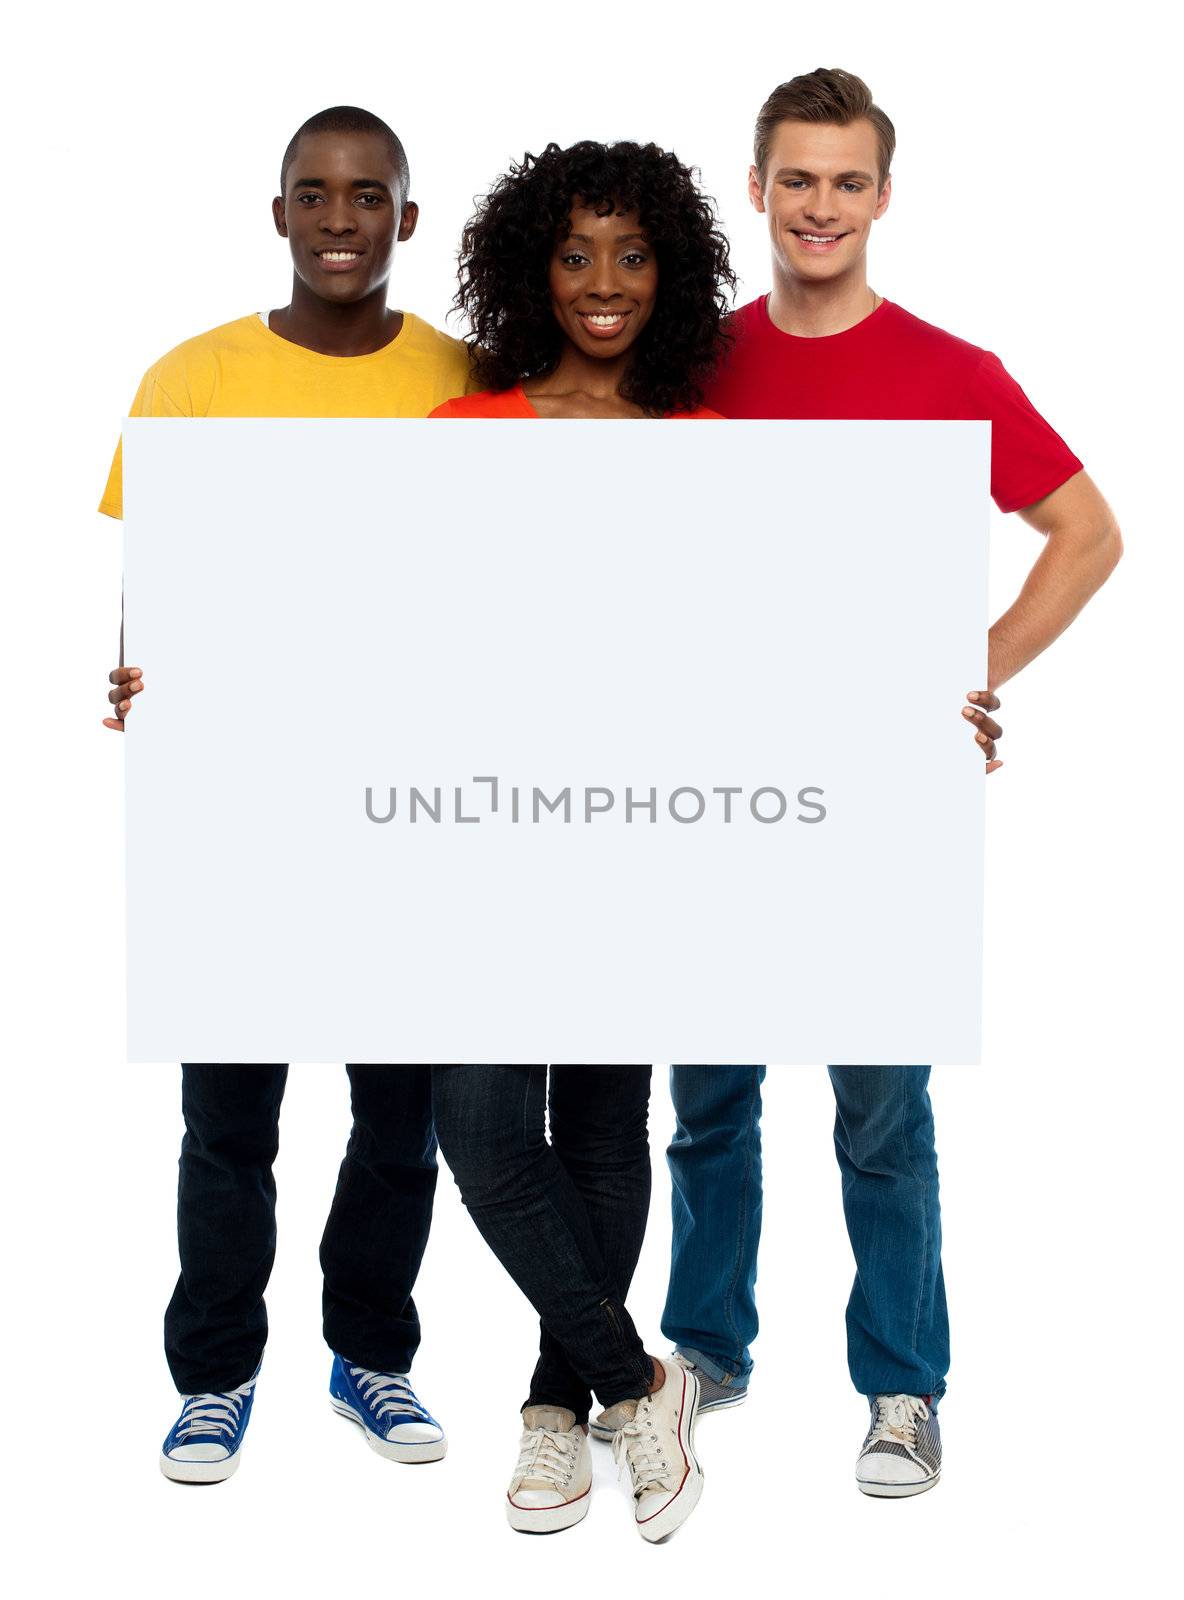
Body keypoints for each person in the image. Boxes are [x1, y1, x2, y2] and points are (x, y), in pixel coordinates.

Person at [655, 68, 1122, 1500]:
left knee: (880, 1112)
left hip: (877, 808)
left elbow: (1089, 535)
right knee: (712, 1097)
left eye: (846, 181)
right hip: (715, 794)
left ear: (884, 197)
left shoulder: (950, 375)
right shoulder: (697, 366)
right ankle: (708, 1352)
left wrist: (965, 674)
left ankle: (904, 1388)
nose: (820, 206)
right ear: (755, 189)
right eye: (796, 178)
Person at [100, 106, 472, 1482]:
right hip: (245, 814)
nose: (336, 218)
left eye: (366, 195)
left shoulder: (460, 377)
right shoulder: (192, 378)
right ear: (277, 215)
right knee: (228, 1121)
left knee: (398, 1116)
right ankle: (213, 1378)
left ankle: (370, 1354)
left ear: (404, 224)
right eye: (311, 193)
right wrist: (136, 676)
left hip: (410, 810)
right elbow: (159, 582)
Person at [431, 138, 732, 1541]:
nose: (602, 284)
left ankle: (559, 1413)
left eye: (631, 254)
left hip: (643, 843)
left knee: (605, 1125)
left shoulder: (711, 451)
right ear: (526, 271)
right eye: (572, 254)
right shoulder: (467, 437)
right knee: (483, 1125)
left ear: (669, 274)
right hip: (489, 834)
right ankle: (636, 1381)